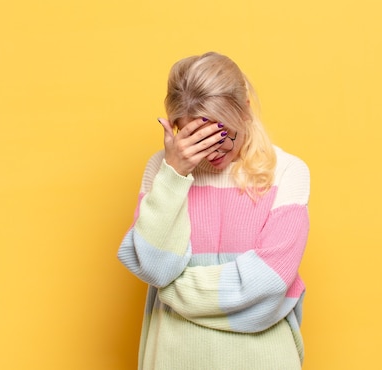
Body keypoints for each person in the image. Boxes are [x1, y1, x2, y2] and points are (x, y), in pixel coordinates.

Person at [118, 52, 310, 370]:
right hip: (172, 358)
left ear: (245, 110)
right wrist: (175, 174)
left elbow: (268, 282)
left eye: (223, 133)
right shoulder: (162, 170)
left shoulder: (288, 171)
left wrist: (173, 290)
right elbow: (155, 268)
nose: (214, 149)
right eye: (195, 137)